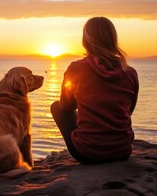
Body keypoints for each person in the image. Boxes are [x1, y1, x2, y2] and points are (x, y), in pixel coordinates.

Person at [50, 17, 139, 164]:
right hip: (123, 151)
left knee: (57, 107)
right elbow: (128, 110)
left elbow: (67, 106)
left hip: (87, 153)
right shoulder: (130, 73)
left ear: (86, 41)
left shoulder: (77, 68)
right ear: (113, 39)